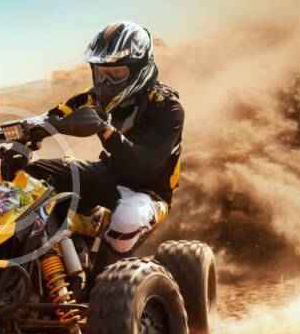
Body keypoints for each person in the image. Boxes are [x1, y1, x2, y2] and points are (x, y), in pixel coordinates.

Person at [25, 21, 183, 260]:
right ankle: (46, 253)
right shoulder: (93, 99)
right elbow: (51, 116)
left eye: (116, 73)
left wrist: (105, 130)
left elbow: (145, 165)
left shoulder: (167, 108)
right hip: (107, 173)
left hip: (148, 191)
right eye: (101, 72)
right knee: (34, 173)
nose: (106, 82)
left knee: (127, 219)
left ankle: (106, 271)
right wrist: (12, 132)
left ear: (140, 69)